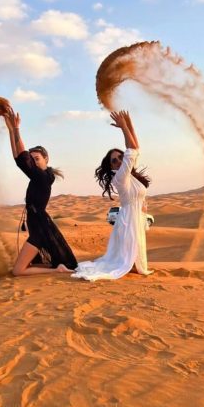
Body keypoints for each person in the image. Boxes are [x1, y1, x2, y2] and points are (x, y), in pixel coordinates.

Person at [72, 110, 153, 281]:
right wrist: (124, 127)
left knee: (136, 263)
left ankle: (131, 264)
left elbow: (134, 149)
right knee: (123, 265)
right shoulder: (120, 177)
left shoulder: (130, 173)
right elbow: (132, 150)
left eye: (119, 157)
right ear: (111, 167)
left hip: (136, 216)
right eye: (114, 160)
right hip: (128, 218)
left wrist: (129, 123)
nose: (118, 161)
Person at [2, 105, 77, 276]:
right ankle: (56, 267)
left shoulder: (44, 178)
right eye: (32, 159)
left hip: (40, 228)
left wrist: (16, 128)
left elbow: (22, 158)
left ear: (46, 159)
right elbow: (18, 158)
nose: (34, 162)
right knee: (22, 267)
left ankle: (57, 270)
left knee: (18, 271)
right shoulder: (38, 176)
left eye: (37, 159)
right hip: (38, 225)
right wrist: (10, 131)